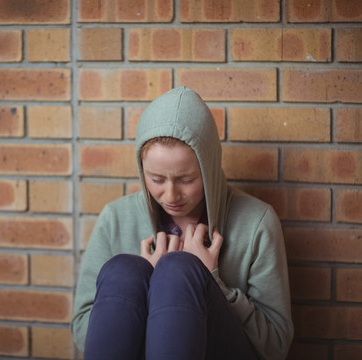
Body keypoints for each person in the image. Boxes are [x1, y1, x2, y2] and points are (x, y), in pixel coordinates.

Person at [71, 87, 294, 360]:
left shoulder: (257, 221)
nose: (171, 195)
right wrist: (146, 285)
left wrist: (212, 280)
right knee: (125, 269)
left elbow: (276, 345)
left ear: (209, 168)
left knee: (178, 269)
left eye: (186, 180)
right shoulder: (115, 218)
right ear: (142, 170)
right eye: (156, 179)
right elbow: (83, 329)